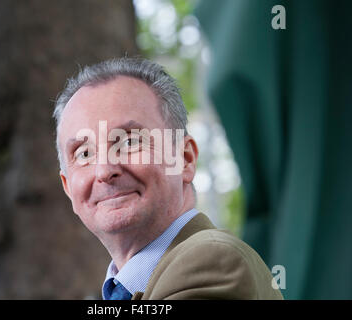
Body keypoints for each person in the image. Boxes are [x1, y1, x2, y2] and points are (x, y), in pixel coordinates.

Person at [53, 57, 283, 300]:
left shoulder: (212, 261)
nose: (104, 171)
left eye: (129, 141)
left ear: (184, 159)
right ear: (67, 186)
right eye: (84, 153)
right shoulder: (130, 288)